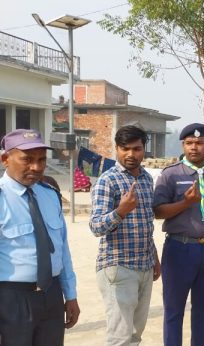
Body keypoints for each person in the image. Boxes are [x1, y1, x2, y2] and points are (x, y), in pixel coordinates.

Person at [0, 129, 80, 345]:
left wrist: (70, 295)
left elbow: (62, 250)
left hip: (51, 295)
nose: (36, 167)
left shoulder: (49, 194)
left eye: (41, 160)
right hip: (11, 298)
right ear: (5, 159)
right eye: (27, 159)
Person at [153, 123, 204, 346]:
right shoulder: (170, 175)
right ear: (183, 145)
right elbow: (158, 212)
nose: (194, 148)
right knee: (174, 310)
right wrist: (185, 203)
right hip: (179, 249)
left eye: (199, 143)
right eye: (189, 143)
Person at [89, 125, 161, 345]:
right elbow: (96, 227)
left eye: (136, 149)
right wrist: (121, 211)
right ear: (117, 149)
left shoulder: (147, 180)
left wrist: (154, 258)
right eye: (125, 148)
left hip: (144, 266)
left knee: (135, 334)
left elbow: (146, 224)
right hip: (118, 267)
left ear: (144, 149)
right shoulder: (107, 180)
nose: (131, 154)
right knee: (120, 336)